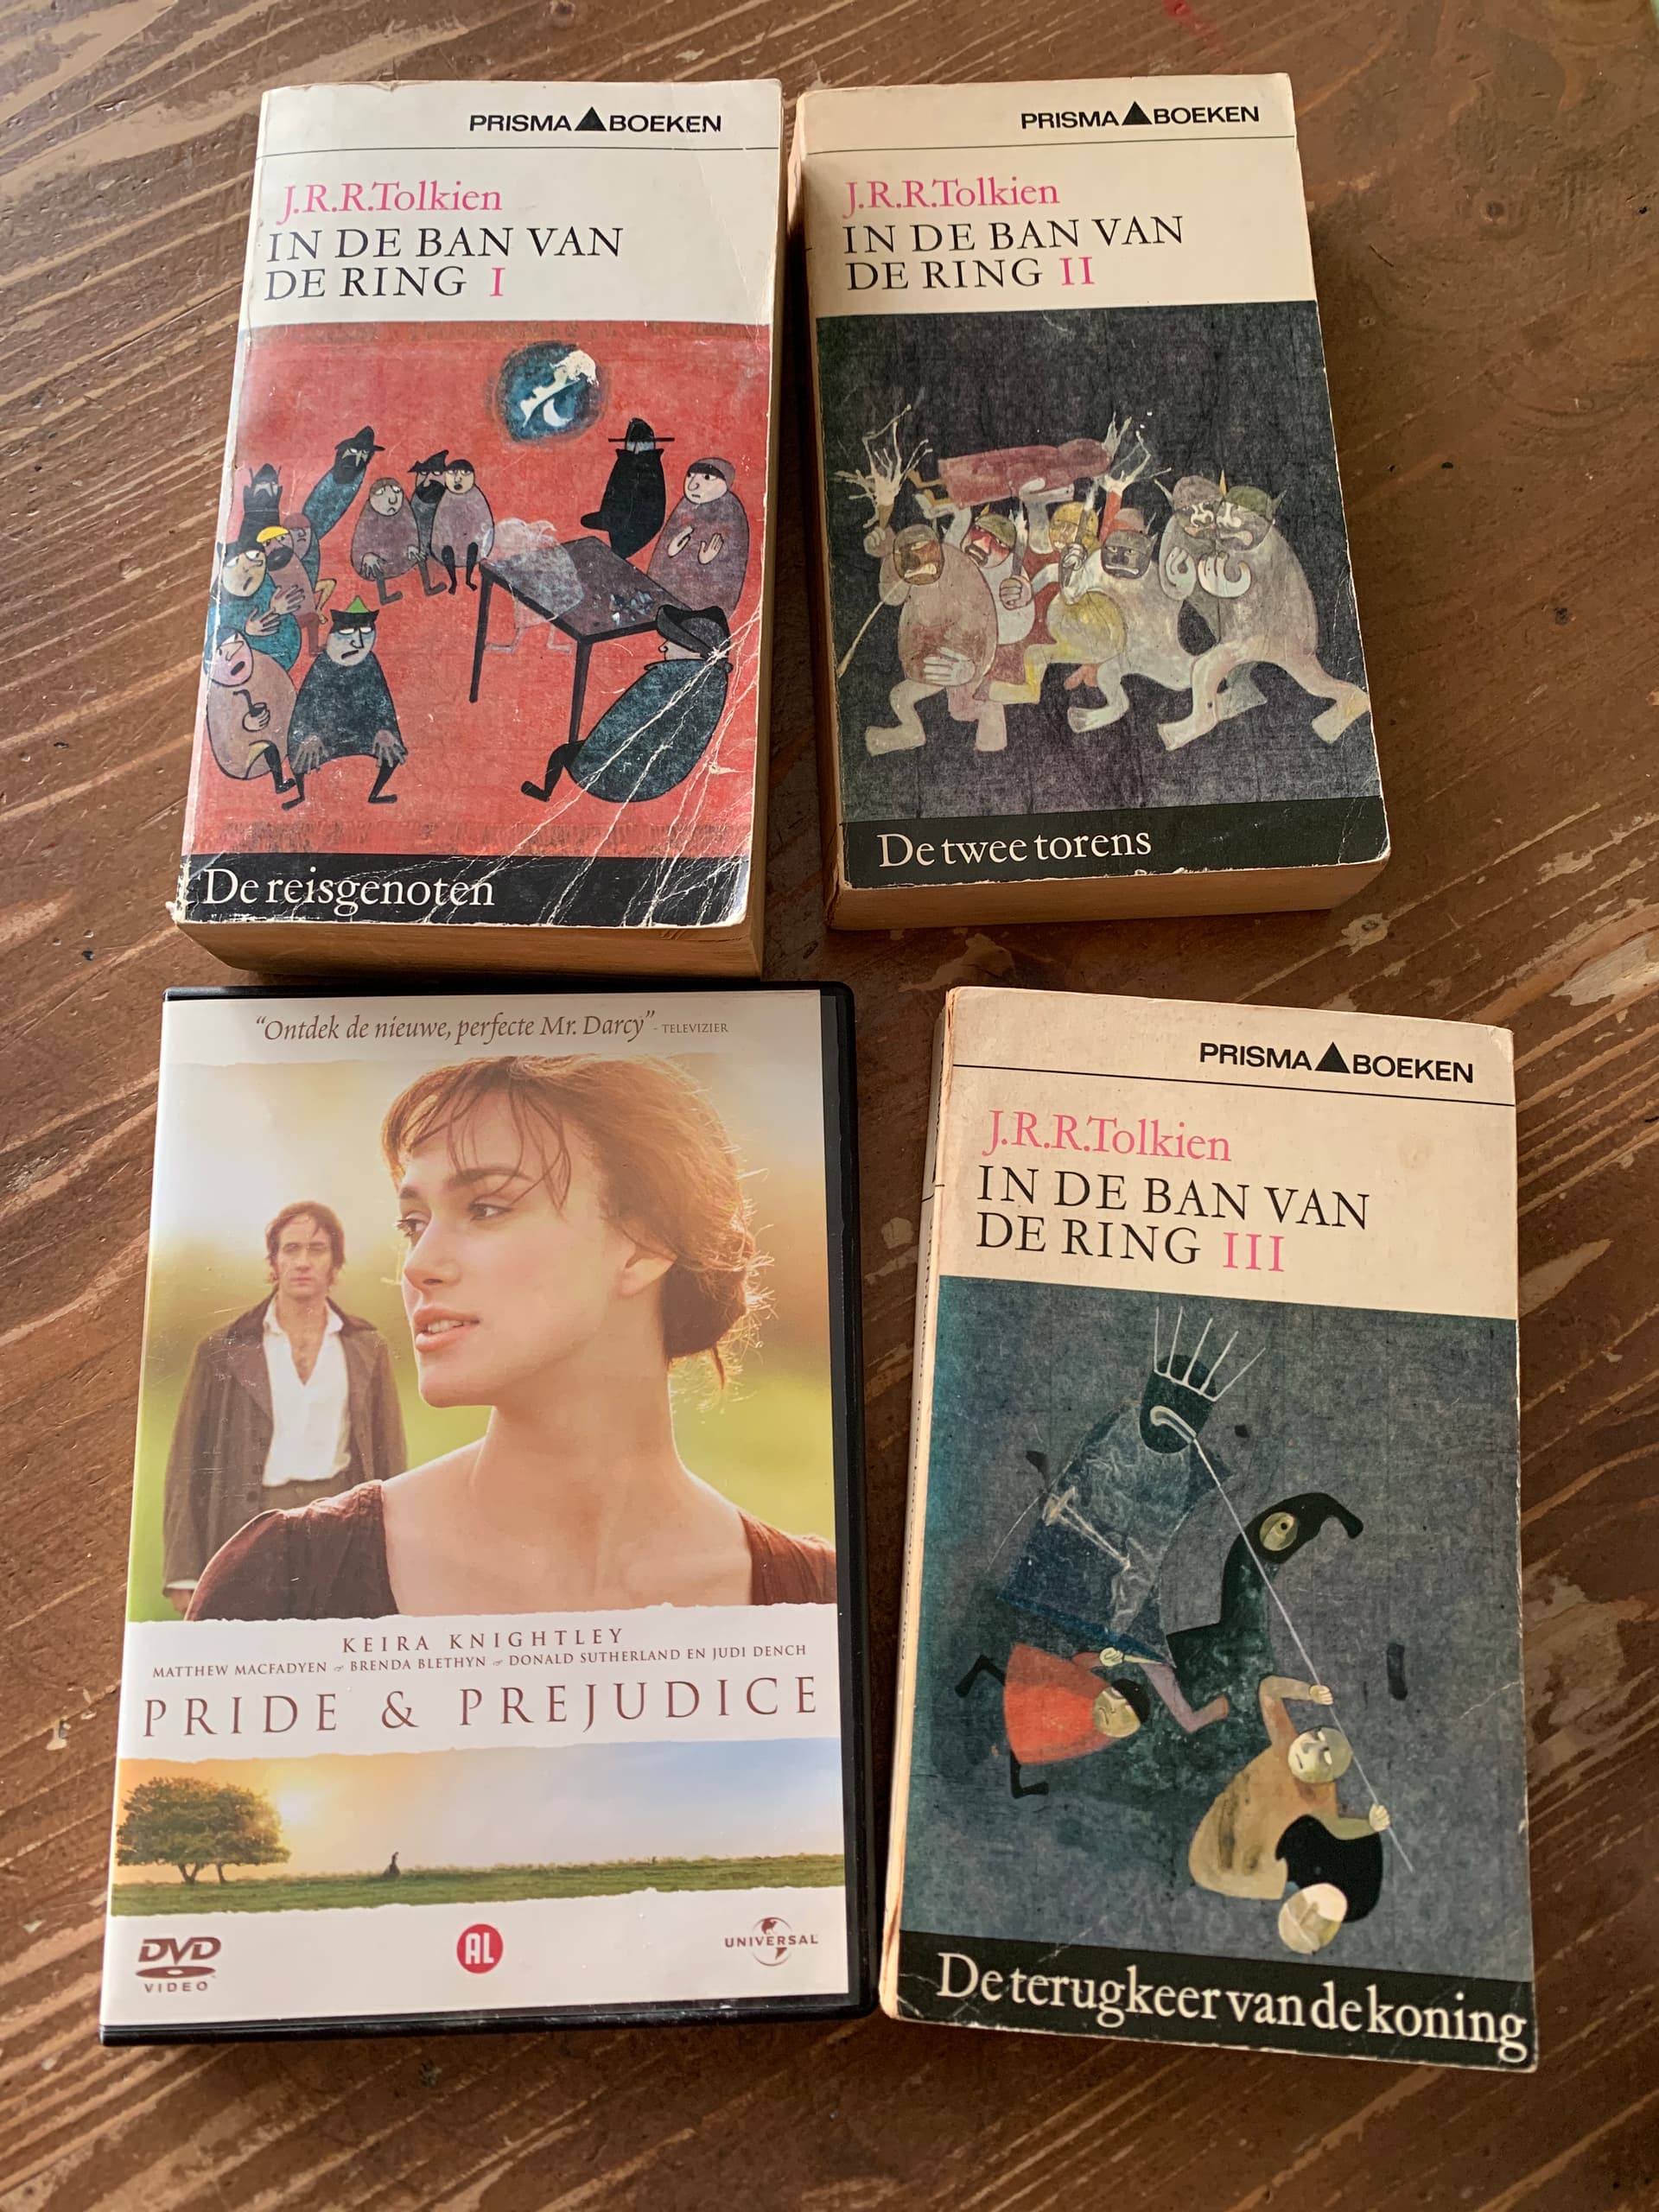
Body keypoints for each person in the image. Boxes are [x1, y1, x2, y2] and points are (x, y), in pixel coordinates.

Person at [189, 1057, 836, 1620]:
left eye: (487, 1208)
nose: (417, 1265)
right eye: (413, 1223)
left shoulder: (818, 1599)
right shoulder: (283, 1579)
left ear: (646, 1245)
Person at [162, 1202, 405, 1609]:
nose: (303, 1261)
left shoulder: (367, 1347)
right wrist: (185, 1571)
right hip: (247, 1527)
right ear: (273, 1261)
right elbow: (186, 1463)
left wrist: (399, 1550)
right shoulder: (221, 1350)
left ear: (335, 1263)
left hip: (342, 1527)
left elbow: (391, 1457)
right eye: (291, 1249)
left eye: (317, 1249)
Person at [1188, 1675, 1390, 1949]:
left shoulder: (1316, 1801)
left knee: (1279, 1871)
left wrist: (1369, 1825)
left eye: (1323, 1754)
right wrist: (1308, 1692)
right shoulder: (1289, 1749)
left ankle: (1309, 1922)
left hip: (1239, 1856)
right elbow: (1269, 1690)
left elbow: (1338, 1828)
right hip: (1221, 1850)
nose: (1310, 1745)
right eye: (1316, 1736)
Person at [520, 604, 731, 805]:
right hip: (660, 776)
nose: (663, 646)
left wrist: (595, 750)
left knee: (562, 753)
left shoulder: (665, 679)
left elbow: (617, 723)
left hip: (623, 776)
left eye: (675, 642)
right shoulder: (714, 679)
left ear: (695, 653)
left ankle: (546, 792)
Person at [648, 457, 750, 614]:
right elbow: (663, 552)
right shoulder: (686, 505)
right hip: (672, 592)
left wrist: (711, 562)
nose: (692, 485)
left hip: (703, 601)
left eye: (707, 478)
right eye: (690, 476)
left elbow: (734, 561)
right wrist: (671, 551)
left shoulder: (731, 510)